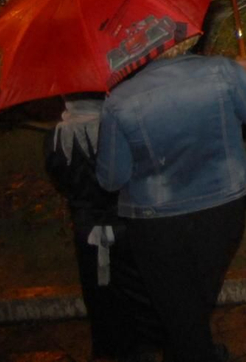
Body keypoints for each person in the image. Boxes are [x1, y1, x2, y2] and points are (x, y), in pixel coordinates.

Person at [96, 38, 246, 362]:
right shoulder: (222, 72)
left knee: (181, 310)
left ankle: (196, 350)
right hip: (221, 210)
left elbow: (111, 178)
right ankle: (200, 350)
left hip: (155, 221)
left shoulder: (121, 99)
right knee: (193, 304)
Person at [46, 97, 158, 362]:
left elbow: (59, 176)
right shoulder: (115, 128)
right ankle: (141, 347)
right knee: (133, 287)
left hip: (88, 229)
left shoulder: (55, 137)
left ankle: (109, 347)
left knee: (100, 289)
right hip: (122, 222)